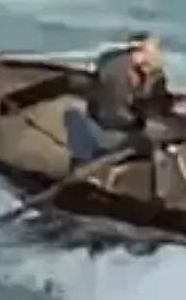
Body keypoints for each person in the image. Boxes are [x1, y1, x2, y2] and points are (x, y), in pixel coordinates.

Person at [63, 31, 179, 199]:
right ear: (140, 50)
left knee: (73, 108)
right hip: (117, 131)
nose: (158, 53)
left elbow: (157, 103)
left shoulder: (145, 71)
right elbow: (118, 111)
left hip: (119, 127)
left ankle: (81, 162)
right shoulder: (122, 69)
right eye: (155, 48)